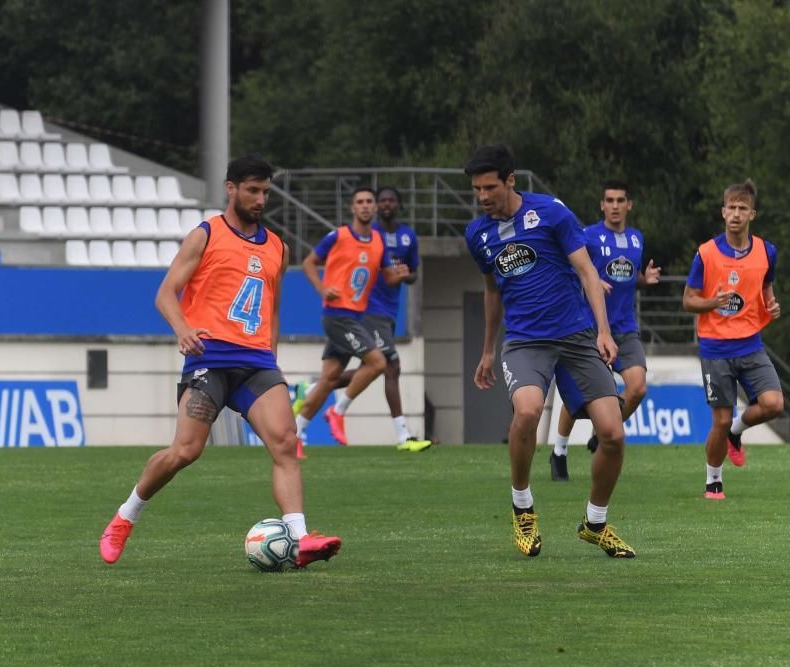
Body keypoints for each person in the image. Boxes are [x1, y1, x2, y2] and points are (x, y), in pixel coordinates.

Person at [99, 154, 341, 567]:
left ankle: (300, 540)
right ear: (231, 188)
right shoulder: (206, 235)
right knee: (185, 451)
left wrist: (273, 360)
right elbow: (165, 293)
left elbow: (273, 309)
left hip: (257, 363)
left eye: (266, 191)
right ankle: (125, 517)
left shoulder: (277, 247)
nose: (260, 198)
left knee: (285, 443)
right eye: (252, 190)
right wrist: (183, 329)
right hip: (209, 359)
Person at [464, 144, 635, 559]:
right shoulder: (477, 235)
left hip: (577, 337)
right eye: (476, 190)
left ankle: (595, 522)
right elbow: (492, 292)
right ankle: (522, 509)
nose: (483, 196)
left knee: (612, 434)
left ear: (510, 181)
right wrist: (488, 351)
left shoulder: (552, 213)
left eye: (490, 187)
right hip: (525, 341)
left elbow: (587, 272)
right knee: (526, 411)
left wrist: (604, 332)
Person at [298, 186, 431, 452]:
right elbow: (308, 262)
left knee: (329, 379)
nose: (367, 206)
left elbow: (389, 276)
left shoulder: (379, 243)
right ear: (352, 207)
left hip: (355, 317)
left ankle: (296, 432)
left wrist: (402, 274)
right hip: (339, 315)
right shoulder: (339, 235)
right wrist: (323, 289)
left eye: (370, 201)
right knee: (380, 362)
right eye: (361, 201)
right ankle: (338, 412)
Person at [548, 180, 662, 481]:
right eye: (609, 200)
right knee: (578, 400)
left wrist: (643, 279)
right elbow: (569, 265)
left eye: (620, 200)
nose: (614, 205)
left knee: (637, 388)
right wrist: (592, 281)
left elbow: (626, 274)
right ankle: (558, 452)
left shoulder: (637, 239)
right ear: (602, 205)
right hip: (591, 328)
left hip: (625, 328)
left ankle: (603, 432)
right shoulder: (588, 235)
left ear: (629, 205)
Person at [682, 179, 784, 499]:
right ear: (722, 212)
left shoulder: (767, 251)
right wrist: (714, 301)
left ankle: (736, 433)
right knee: (720, 420)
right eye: (731, 208)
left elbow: (765, 284)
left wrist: (771, 302)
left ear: (752, 213)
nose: (736, 213)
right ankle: (714, 480)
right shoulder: (706, 253)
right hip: (715, 347)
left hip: (751, 343)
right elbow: (688, 301)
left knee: (773, 404)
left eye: (743, 208)